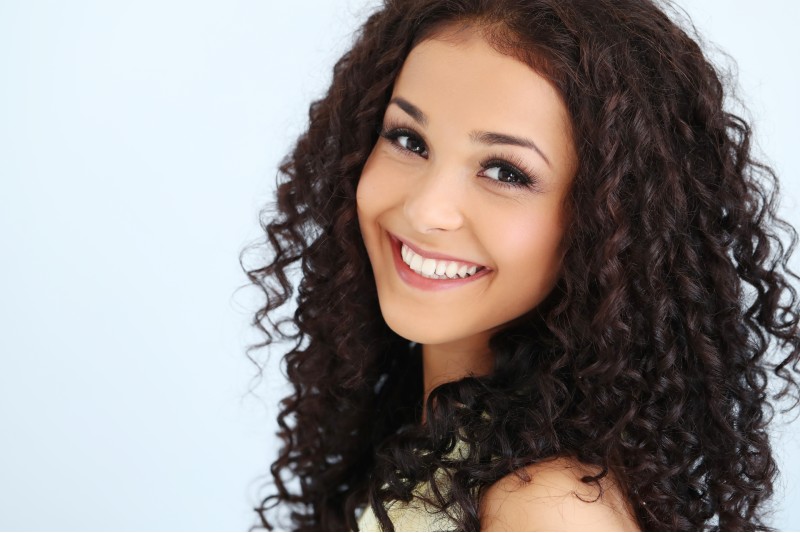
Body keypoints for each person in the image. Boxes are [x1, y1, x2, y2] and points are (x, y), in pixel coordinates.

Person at [243, 0, 800, 530]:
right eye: (408, 140)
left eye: (506, 172)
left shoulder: (547, 506)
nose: (425, 209)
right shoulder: (435, 441)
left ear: (608, 227)